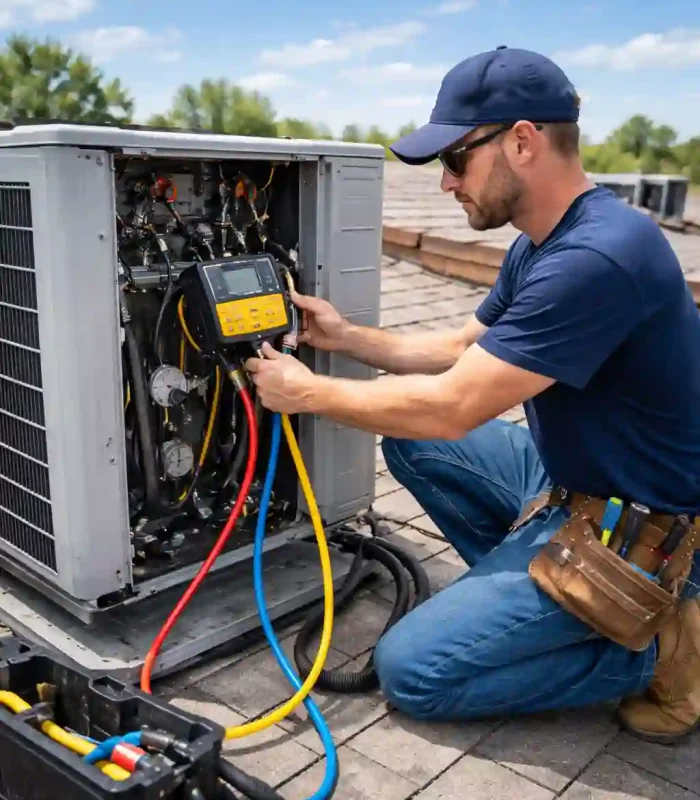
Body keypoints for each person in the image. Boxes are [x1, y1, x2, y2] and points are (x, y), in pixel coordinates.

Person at [244, 46, 700, 743]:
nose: (445, 185)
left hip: (641, 531)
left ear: (521, 141)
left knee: (414, 672)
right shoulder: (544, 238)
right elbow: (462, 351)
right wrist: (344, 337)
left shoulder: (596, 258)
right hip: (568, 480)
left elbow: (456, 403)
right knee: (414, 441)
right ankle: (540, 603)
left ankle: (649, 643)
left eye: (455, 160)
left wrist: (304, 392)